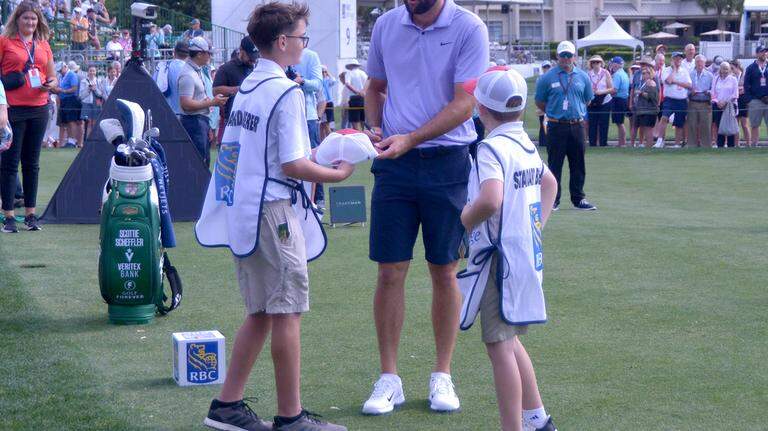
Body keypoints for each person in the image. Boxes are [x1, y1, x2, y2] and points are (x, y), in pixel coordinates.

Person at [197, 3, 353, 431]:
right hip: (274, 210)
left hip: (246, 209)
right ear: (283, 42)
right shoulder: (285, 91)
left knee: (262, 311)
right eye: (302, 37)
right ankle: (291, 416)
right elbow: (293, 165)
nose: (304, 44)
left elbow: (241, 154)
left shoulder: (247, 87)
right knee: (286, 312)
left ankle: (227, 405)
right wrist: (336, 174)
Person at [361, 0, 488, 416]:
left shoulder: (469, 27)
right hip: (394, 164)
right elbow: (374, 86)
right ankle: (388, 378)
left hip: (448, 162)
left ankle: (442, 374)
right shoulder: (385, 25)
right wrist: (377, 129)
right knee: (389, 270)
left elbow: (464, 104)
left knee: (444, 268)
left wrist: (409, 139)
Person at [459, 66, 559, 431]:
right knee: (510, 338)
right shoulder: (524, 142)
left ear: (481, 108)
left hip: (497, 260)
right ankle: (537, 418)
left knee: (499, 347)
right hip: (521, 254)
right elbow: (550, 184)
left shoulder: (490, 147)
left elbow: (490, 199)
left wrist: (464, 220)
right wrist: (535, 228)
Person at [0, 1, 57, 233]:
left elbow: (52, 76)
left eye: (34, 19)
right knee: (10, 163)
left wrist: (49, 85)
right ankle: (9, 217)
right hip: (13, 109)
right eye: (26, 18)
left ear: (38, 21)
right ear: (17, 19)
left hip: (39, 108)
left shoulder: (43, 44)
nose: (30, 22)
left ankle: (31, 215)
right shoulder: (4, 42)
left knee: (32, 164)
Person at [534, 40, 597, 211]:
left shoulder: (582, 76)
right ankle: (553, 199)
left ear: (574, 56)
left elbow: (588, 99)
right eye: (563, 55)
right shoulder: (547, 78)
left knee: (578, 163)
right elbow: (540, 101)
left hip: (577, 125)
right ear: (558, 56)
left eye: (569, 55)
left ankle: (579, 199)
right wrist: (554, 112)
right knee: (555, 163)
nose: (567, 58)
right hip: (556, 125)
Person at [178, 36, 226, 168]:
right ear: (199, 54)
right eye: (208, 54)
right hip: (194, 123)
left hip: (199, 122)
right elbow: (186, 104)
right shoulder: (188, 74)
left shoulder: (194, 71)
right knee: (199, 163)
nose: (209, 57)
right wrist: (212, 103)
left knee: (204, 161)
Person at [291, 46, 324, 205]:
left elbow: (318, 84)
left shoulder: (311, 56)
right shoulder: (280, 55)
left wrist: (302, 81)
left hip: (308, 115)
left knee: (312, 157)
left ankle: (318, 199)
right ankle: (296, 199)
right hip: (288, 114)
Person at [213, 35, 258, 143]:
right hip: (233, 120)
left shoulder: (257, 67)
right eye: (250, 57)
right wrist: (240, 89)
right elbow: (216, 90)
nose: (253, 60)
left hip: (253, 120)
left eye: (255, 57)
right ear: (241, 51)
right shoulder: (226, 68)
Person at [656, 52, 691, 148]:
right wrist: (674, 70)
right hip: (669, 99)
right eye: (676, 59)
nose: (678, 61)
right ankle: (660, 140)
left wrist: (676, 82)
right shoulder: (666, 70)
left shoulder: (684, 71)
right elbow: (668, 80)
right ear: (672, 59)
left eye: (679, 59)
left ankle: (677, 144)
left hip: (681, 100)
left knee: (679, 122)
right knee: (664, 118)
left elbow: (689, 85)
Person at [743, 45, 768, 146]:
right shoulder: (750, 68)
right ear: (757, 54)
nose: (764, 54)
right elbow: (746, 84)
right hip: (756, 100)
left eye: (765, 52)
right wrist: (749, 100)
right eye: (762, 52)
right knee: (755, 125)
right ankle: (754, 145)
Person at [586, 55, 613, 147]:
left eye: (598, 62)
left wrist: (601, 92)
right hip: (592, 102)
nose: (596, 64)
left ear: (601, 63)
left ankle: (603, 144)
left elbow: (611, 89)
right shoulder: (588, 74)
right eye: (594, 62)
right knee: (592, 124)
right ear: (591, 64)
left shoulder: (606, 73)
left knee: (603, 124)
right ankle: (592, 144)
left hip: (604, 101)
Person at [687, 54, 713, 148]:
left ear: (705, 63)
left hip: (705, 103)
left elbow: (713, 90)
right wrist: (690, 92)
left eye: (701, 62)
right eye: (697, 62)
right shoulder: (690, 74)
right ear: (695, 63)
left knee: (705, 125)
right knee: (692, 124)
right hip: (693, 102)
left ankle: (705, 145)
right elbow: (685, 90)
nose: (699, 64)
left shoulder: (710, 76)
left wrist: (709, 92)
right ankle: (691, 145)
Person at [711, 61, 739, 148]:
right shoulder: (716, 79)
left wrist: (725, 102)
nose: (725, 70)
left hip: (730, 105)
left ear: (729, 69)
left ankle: (731, 145)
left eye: (727, 69)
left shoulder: (733, 79)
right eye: (723, 68)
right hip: (717, 105)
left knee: (729, 125)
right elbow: (712, 93)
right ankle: (720, 145)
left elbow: (735, 94)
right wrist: (717, 101)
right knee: (719, 125)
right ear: (720, 69)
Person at [58, 60, 83, 148]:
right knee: (68, 122)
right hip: (64, 100)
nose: (60, 72)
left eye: (60, 70)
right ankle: (70, 140)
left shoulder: (72, 74)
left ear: (65, 67)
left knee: (72, 121)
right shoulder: (61, 76)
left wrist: (63, 91)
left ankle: (72, 141)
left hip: (71, 99)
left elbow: (74, 88)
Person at [633, 66, 659, 148]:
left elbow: (651, 97)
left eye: (644, 73)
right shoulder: (645, 83)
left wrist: (641, 93)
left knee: (648, 129)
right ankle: (648, 146)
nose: (643, 75)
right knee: (646, 128)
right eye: (642, 73)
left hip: (649, 110)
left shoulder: (651, 83)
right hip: (643, 110)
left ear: (650, 74)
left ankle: (649, 146)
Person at [160, 40, 188, 115]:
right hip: (186, 116)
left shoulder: (163, 67)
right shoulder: (191, 71)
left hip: (166, 114)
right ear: (188, 55)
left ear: (174, 52)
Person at [339, 59, 366, 131]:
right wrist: (363, 91)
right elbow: (368, 83)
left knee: (355, 123)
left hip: (354, 99)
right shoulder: (363, 73)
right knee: (362, 121)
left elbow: (347, 84)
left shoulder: (349, 73)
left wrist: (357, 92)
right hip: (363, 99)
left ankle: (358, 138)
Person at [78, 63, 104, 138]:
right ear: (88, 72)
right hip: (87, 103)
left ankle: (94, 139)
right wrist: (88, 89)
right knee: (88, 122)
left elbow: (101, 94)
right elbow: (81, 96)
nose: (92, 72)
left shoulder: (99, 81)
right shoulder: (83, 81)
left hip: (97, 104)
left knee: (95, 122)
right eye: (90, 71)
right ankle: (87, 140)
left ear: (96, 72)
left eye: (93, 71)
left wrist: (95, 89)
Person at [609, 57, 629, 147]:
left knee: (619, 123)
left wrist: (603, 91)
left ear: (617, 64)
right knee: (619, 122)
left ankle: (622, 143)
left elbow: (614, 90)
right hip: (623, 100)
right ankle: (621, 142)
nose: (612, 65)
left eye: (613, 63)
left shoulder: (617, 74)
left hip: (618, 100)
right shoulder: (624, 73)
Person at [731, 60, 751, 146]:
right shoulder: (731, 77)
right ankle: (736, 144)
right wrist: (739, 89)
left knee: (744, 124)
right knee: (736, 124)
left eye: (732, 68)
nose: (731, 70)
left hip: (743, 101)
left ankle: (749, 143)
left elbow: (748, 87)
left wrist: (742, 89)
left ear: (738, 67)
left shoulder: (745, 76)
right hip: (735, 101)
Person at [652, 53, 667, 144]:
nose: (661, 62)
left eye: (663, 61)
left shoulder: (665, 71)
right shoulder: (651, 71)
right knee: (653, 119)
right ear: (656, 61)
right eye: (660, 60)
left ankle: (662, 139)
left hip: (662, 99)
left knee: (662, 119)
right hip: (653, 99)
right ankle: (653, 138)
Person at [627, 62, 643, 147]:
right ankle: (632, 143)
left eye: (636, 68)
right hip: (634, 102)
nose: (635, 70)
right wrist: (630, 103)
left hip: (644, 103)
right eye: (633, 68)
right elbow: (632, 90)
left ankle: (640, 142)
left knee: (642, 125)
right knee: (633, 123)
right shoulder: (634, 75)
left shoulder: (648, 73)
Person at [536, 61, 551, 147]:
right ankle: (542, 143)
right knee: (543, 125)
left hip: (552, 105)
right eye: (545, 67)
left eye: (548, 67)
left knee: (551, 125)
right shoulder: (540, 79)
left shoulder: (554, 77)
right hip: (543, 105)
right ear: (542, 69)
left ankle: (549, 143)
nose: (546, 69)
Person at [319, 65, 336, 140]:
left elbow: (334, 80)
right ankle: (321, 142)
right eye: (322, 72)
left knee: (326, 124)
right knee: (321, 125)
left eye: (325, 72)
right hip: (320, 103)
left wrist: (327, 72)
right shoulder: (318, 81)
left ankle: (330, 140)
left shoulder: (328, 80)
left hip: (328, 103)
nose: (324, 73)